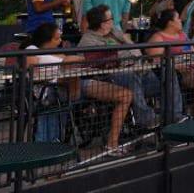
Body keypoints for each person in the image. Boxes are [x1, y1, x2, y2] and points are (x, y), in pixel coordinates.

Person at [26, 22, 132, 152]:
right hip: (51, 89)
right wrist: (64, 67)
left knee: (125, 95)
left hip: (76, 82)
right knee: (71, 62)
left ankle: (112, 143)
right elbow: (33, 74)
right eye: (57, 38)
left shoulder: (60, 53)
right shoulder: (32, 50)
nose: (60, 41)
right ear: (45, 39)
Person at [79, 5, 185, 128]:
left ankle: (175, 115)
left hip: (140, 73)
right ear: (102, 24)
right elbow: (92, 62)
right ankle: (146, 119)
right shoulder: (88, 40)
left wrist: (126, 43)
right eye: (111, 19)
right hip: (111, 79)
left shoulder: (114, 32)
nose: (114, 21)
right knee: (130, 74)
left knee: (168, 70)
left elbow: (135, 50)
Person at [145, 10, 194, 118]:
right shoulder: (158, 38)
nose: (181, 20)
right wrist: (176, 65)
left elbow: (192, 52)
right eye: (178, 18)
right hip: (181, 70)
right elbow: (155, 62)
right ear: (170, 22)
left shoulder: (182, 35)